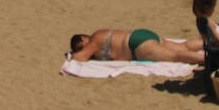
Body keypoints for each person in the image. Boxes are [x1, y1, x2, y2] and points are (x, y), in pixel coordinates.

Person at [68, 28, 205, 64]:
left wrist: (73, 54)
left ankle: (209, 60)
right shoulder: (100, 34)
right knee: (183, 46)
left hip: (136, 45)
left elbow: (79, 58)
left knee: (175, 56)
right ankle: (212, 43)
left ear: (85, 37)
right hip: (141, 34)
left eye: (81, 45)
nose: (83, 48)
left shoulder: (94, 40)